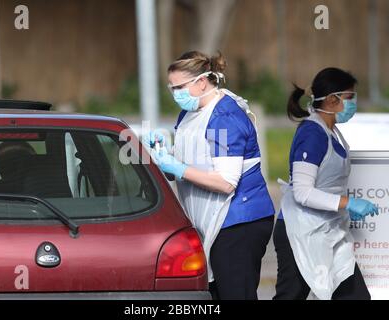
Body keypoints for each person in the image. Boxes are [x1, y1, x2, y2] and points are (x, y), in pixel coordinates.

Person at [144, 51, 275, 300]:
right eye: (171, 88)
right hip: (211, 221)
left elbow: (226, 182)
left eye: (179, 87)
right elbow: (194, 165)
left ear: (202, 81)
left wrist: (178, 168)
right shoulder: (189, 114)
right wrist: (166, 155)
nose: (175, 94)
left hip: (239, 222)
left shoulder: (225, 117)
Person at [273, 67, 378, 300]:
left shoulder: (333, 132)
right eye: (350, 97)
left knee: (355, 296)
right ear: (333, 100)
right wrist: (347, 202)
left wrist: (344, 207)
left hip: (329, 231)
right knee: (291, 296)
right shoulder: (313, 134)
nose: (353, 104)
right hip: (298, 232)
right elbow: (302, 192)